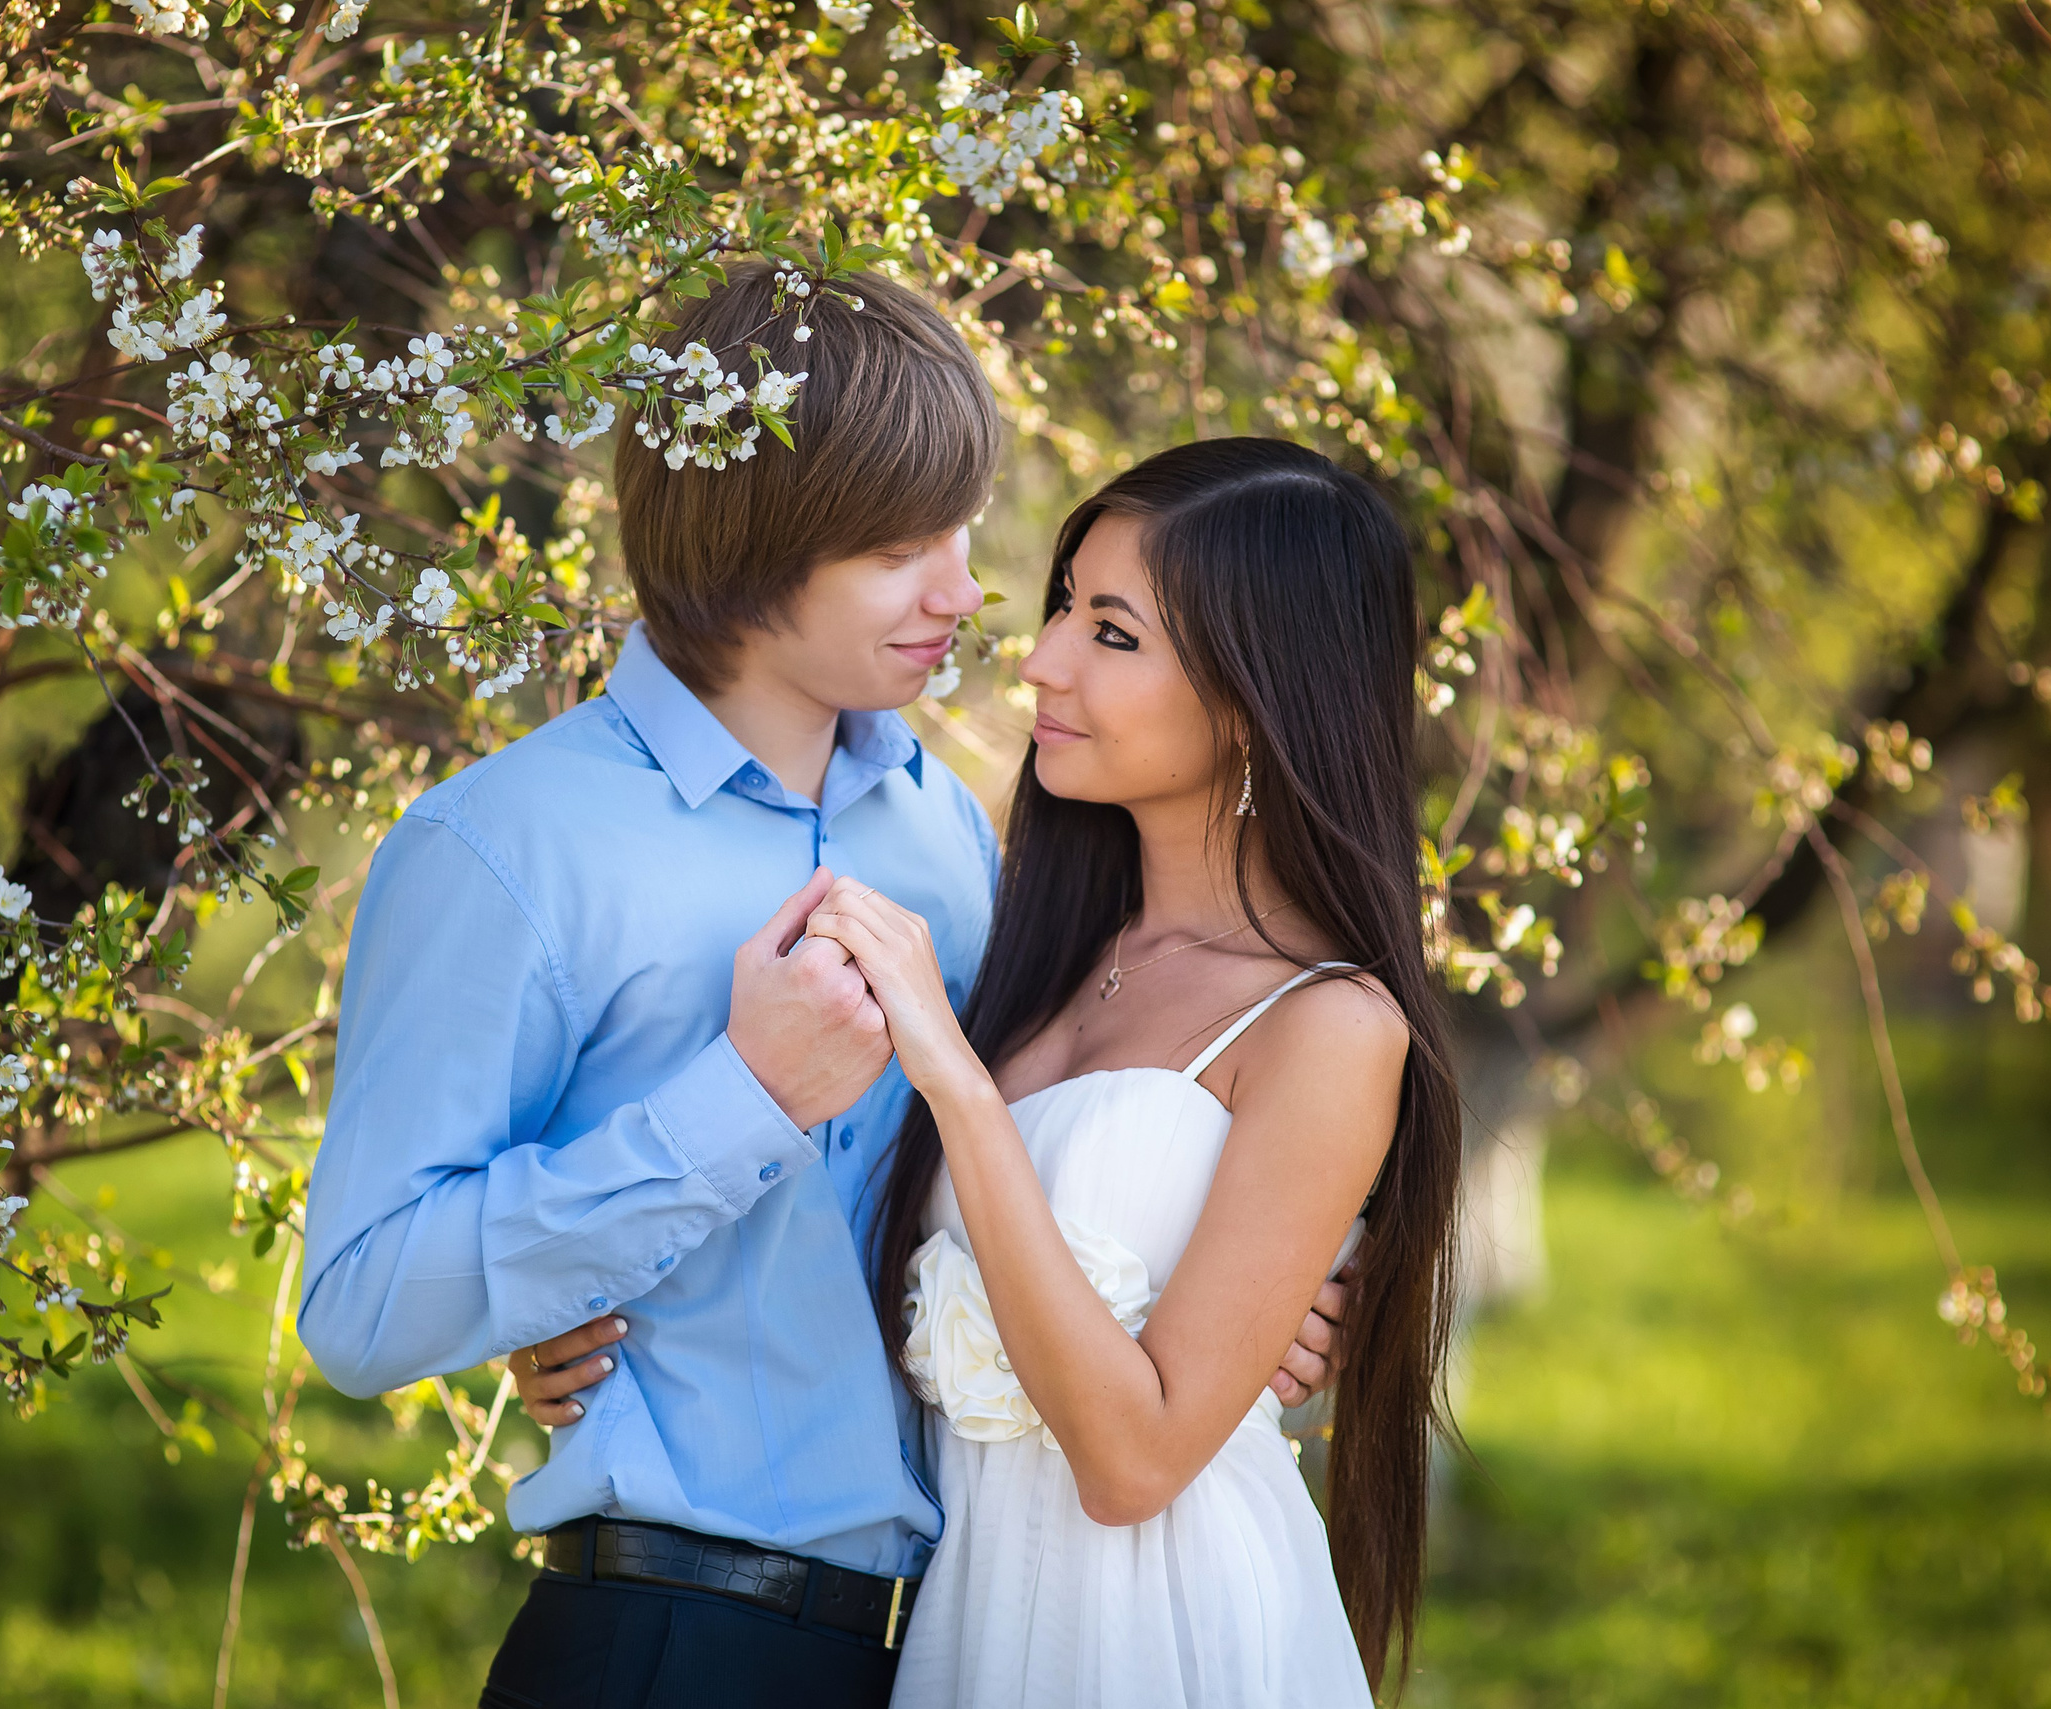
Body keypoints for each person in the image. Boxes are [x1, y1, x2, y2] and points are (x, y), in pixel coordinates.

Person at [298, 266, 1346, 1709]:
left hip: (946, 1639)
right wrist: (736, 1107)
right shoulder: (508, 848)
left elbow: (997, 1185)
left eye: (966, 534)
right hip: (670, 1639)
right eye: (903, 548)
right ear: (752, 541)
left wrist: (1216, 1288)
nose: (965, 595)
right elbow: (365, 1306)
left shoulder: (947, 838)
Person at [801, 437, 1464, 1708]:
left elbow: (1134, 1461)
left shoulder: (1328, 1024)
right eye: (1062, 607)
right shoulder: (1039, 958)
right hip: (976, 1626)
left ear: (1261, 692)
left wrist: (956, 1081)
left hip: (1168, 1636)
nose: (1042, 657)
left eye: (1112, 632)